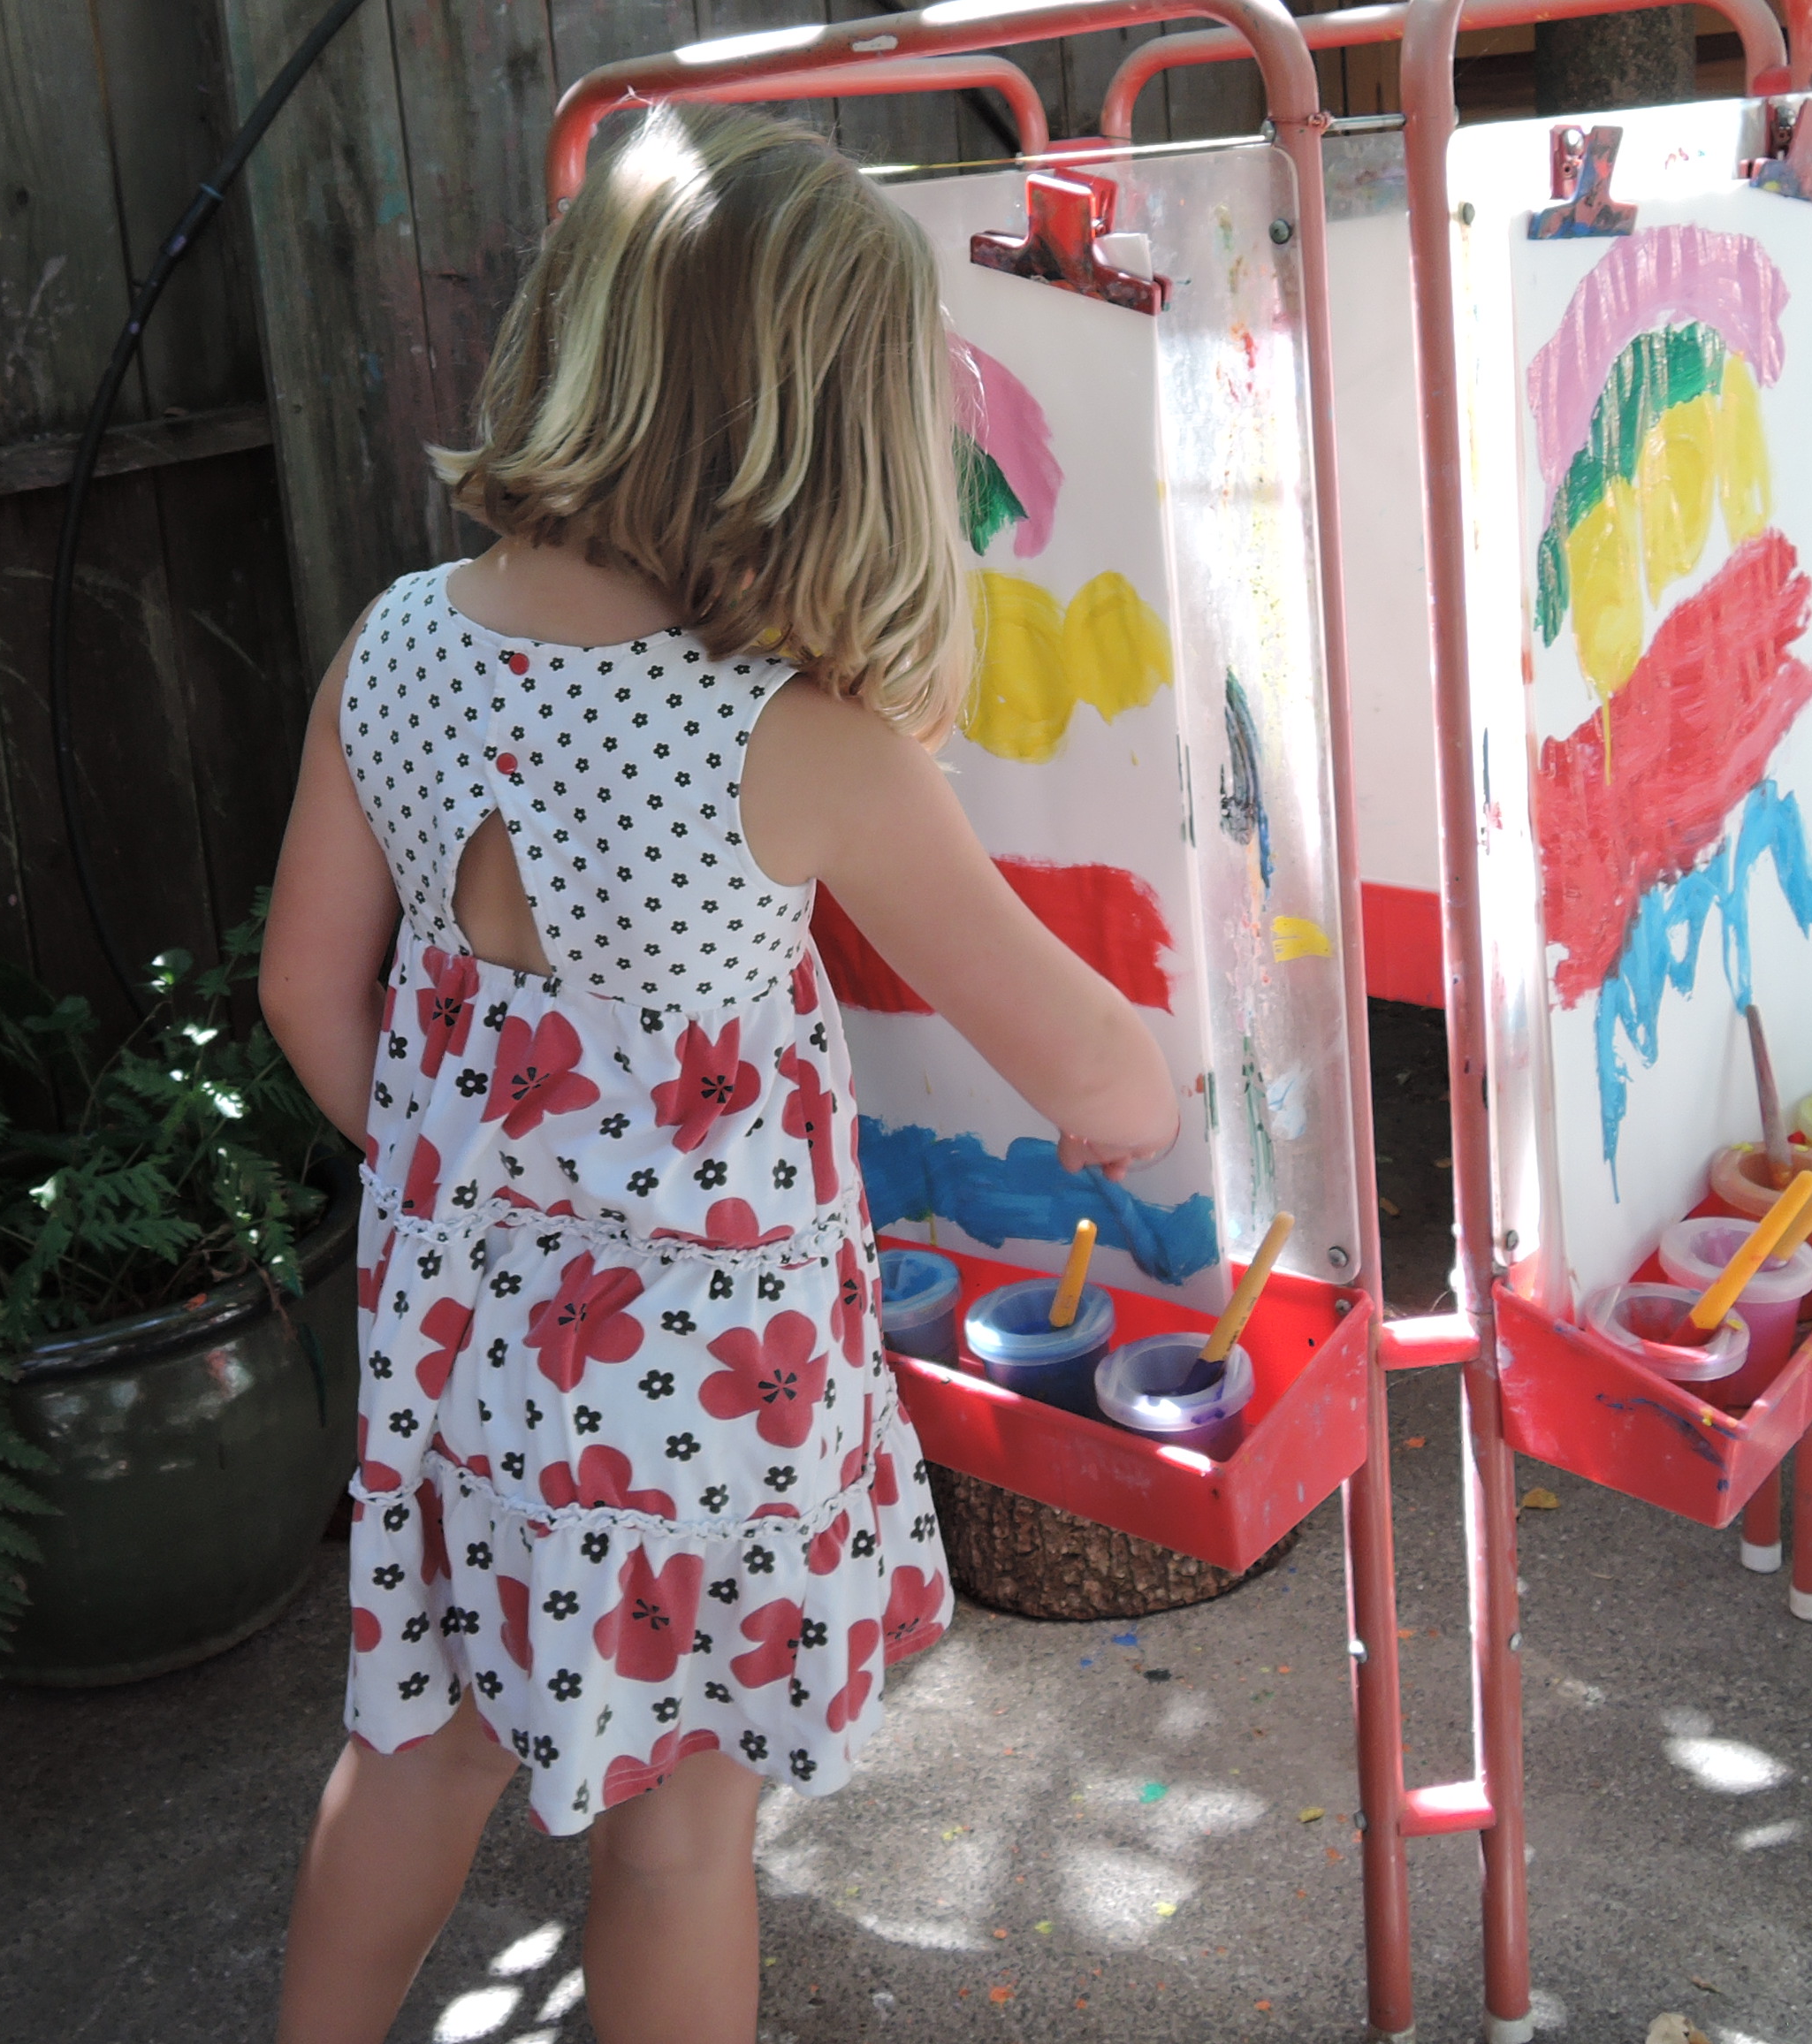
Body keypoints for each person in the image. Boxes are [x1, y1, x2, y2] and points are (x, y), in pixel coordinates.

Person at [258, 105, 1179, 2044]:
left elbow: (301, 991)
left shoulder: (397, 646)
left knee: (416, 1740)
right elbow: (1081, 1057)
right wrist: (1148, 1088)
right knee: (677, 1841)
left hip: (456, 1359)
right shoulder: (800, 740)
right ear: (837, 433)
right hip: (693, 1402)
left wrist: (460, 1199)